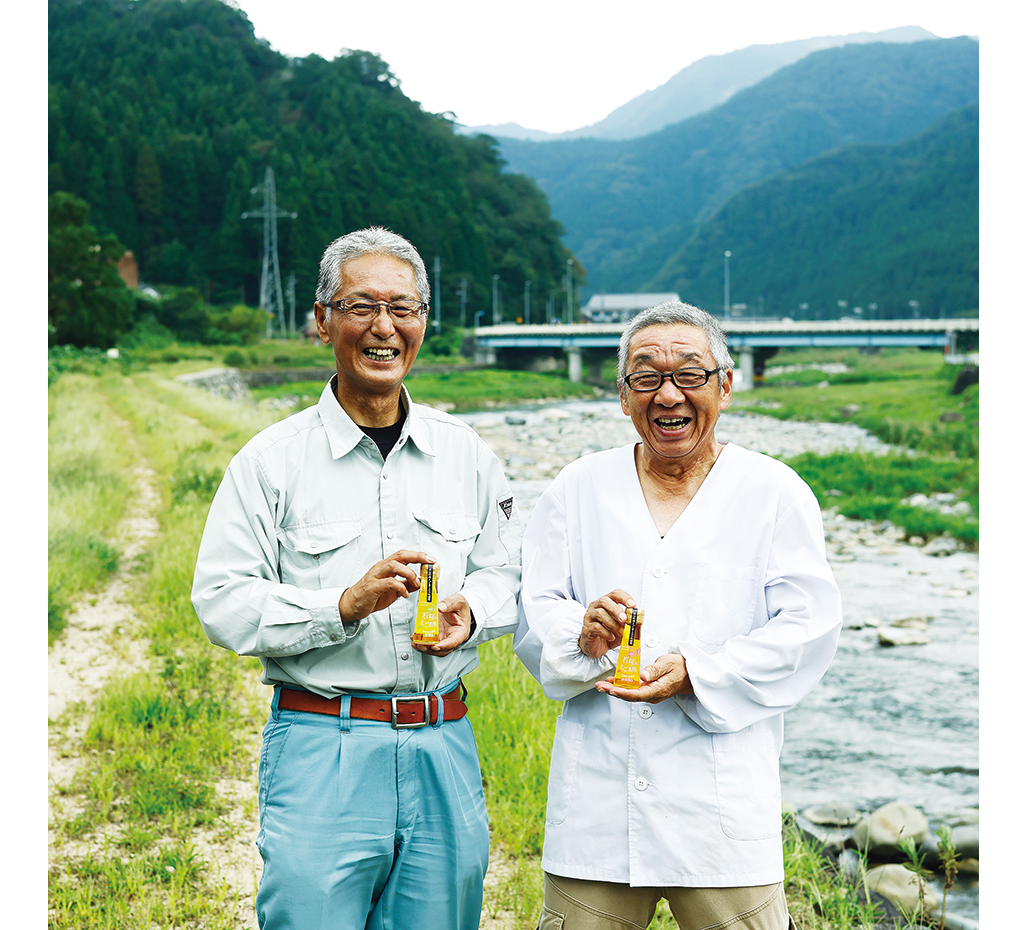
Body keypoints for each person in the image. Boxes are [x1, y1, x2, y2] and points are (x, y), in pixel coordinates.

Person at [192, 226, 523, 930]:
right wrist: (341, 605)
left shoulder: (466, 455)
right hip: (322, 742)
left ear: (423, 324)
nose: (385, 328)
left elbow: (509, 571)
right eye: (361, 306)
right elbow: (221, 601)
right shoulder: (270, 461)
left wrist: (476, 610)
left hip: (444, 740)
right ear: (322, 321)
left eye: (403, 309)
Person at [513, 301, 842, 930]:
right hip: (597, 816)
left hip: (722, 816)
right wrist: (580, 636)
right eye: (646, 376)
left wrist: (699, 673)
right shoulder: (577, 487)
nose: (670, 395)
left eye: (690, 375)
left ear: (725, 383)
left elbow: (808, 629)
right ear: (621, 394)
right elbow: (535, 610)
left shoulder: (774, 492)